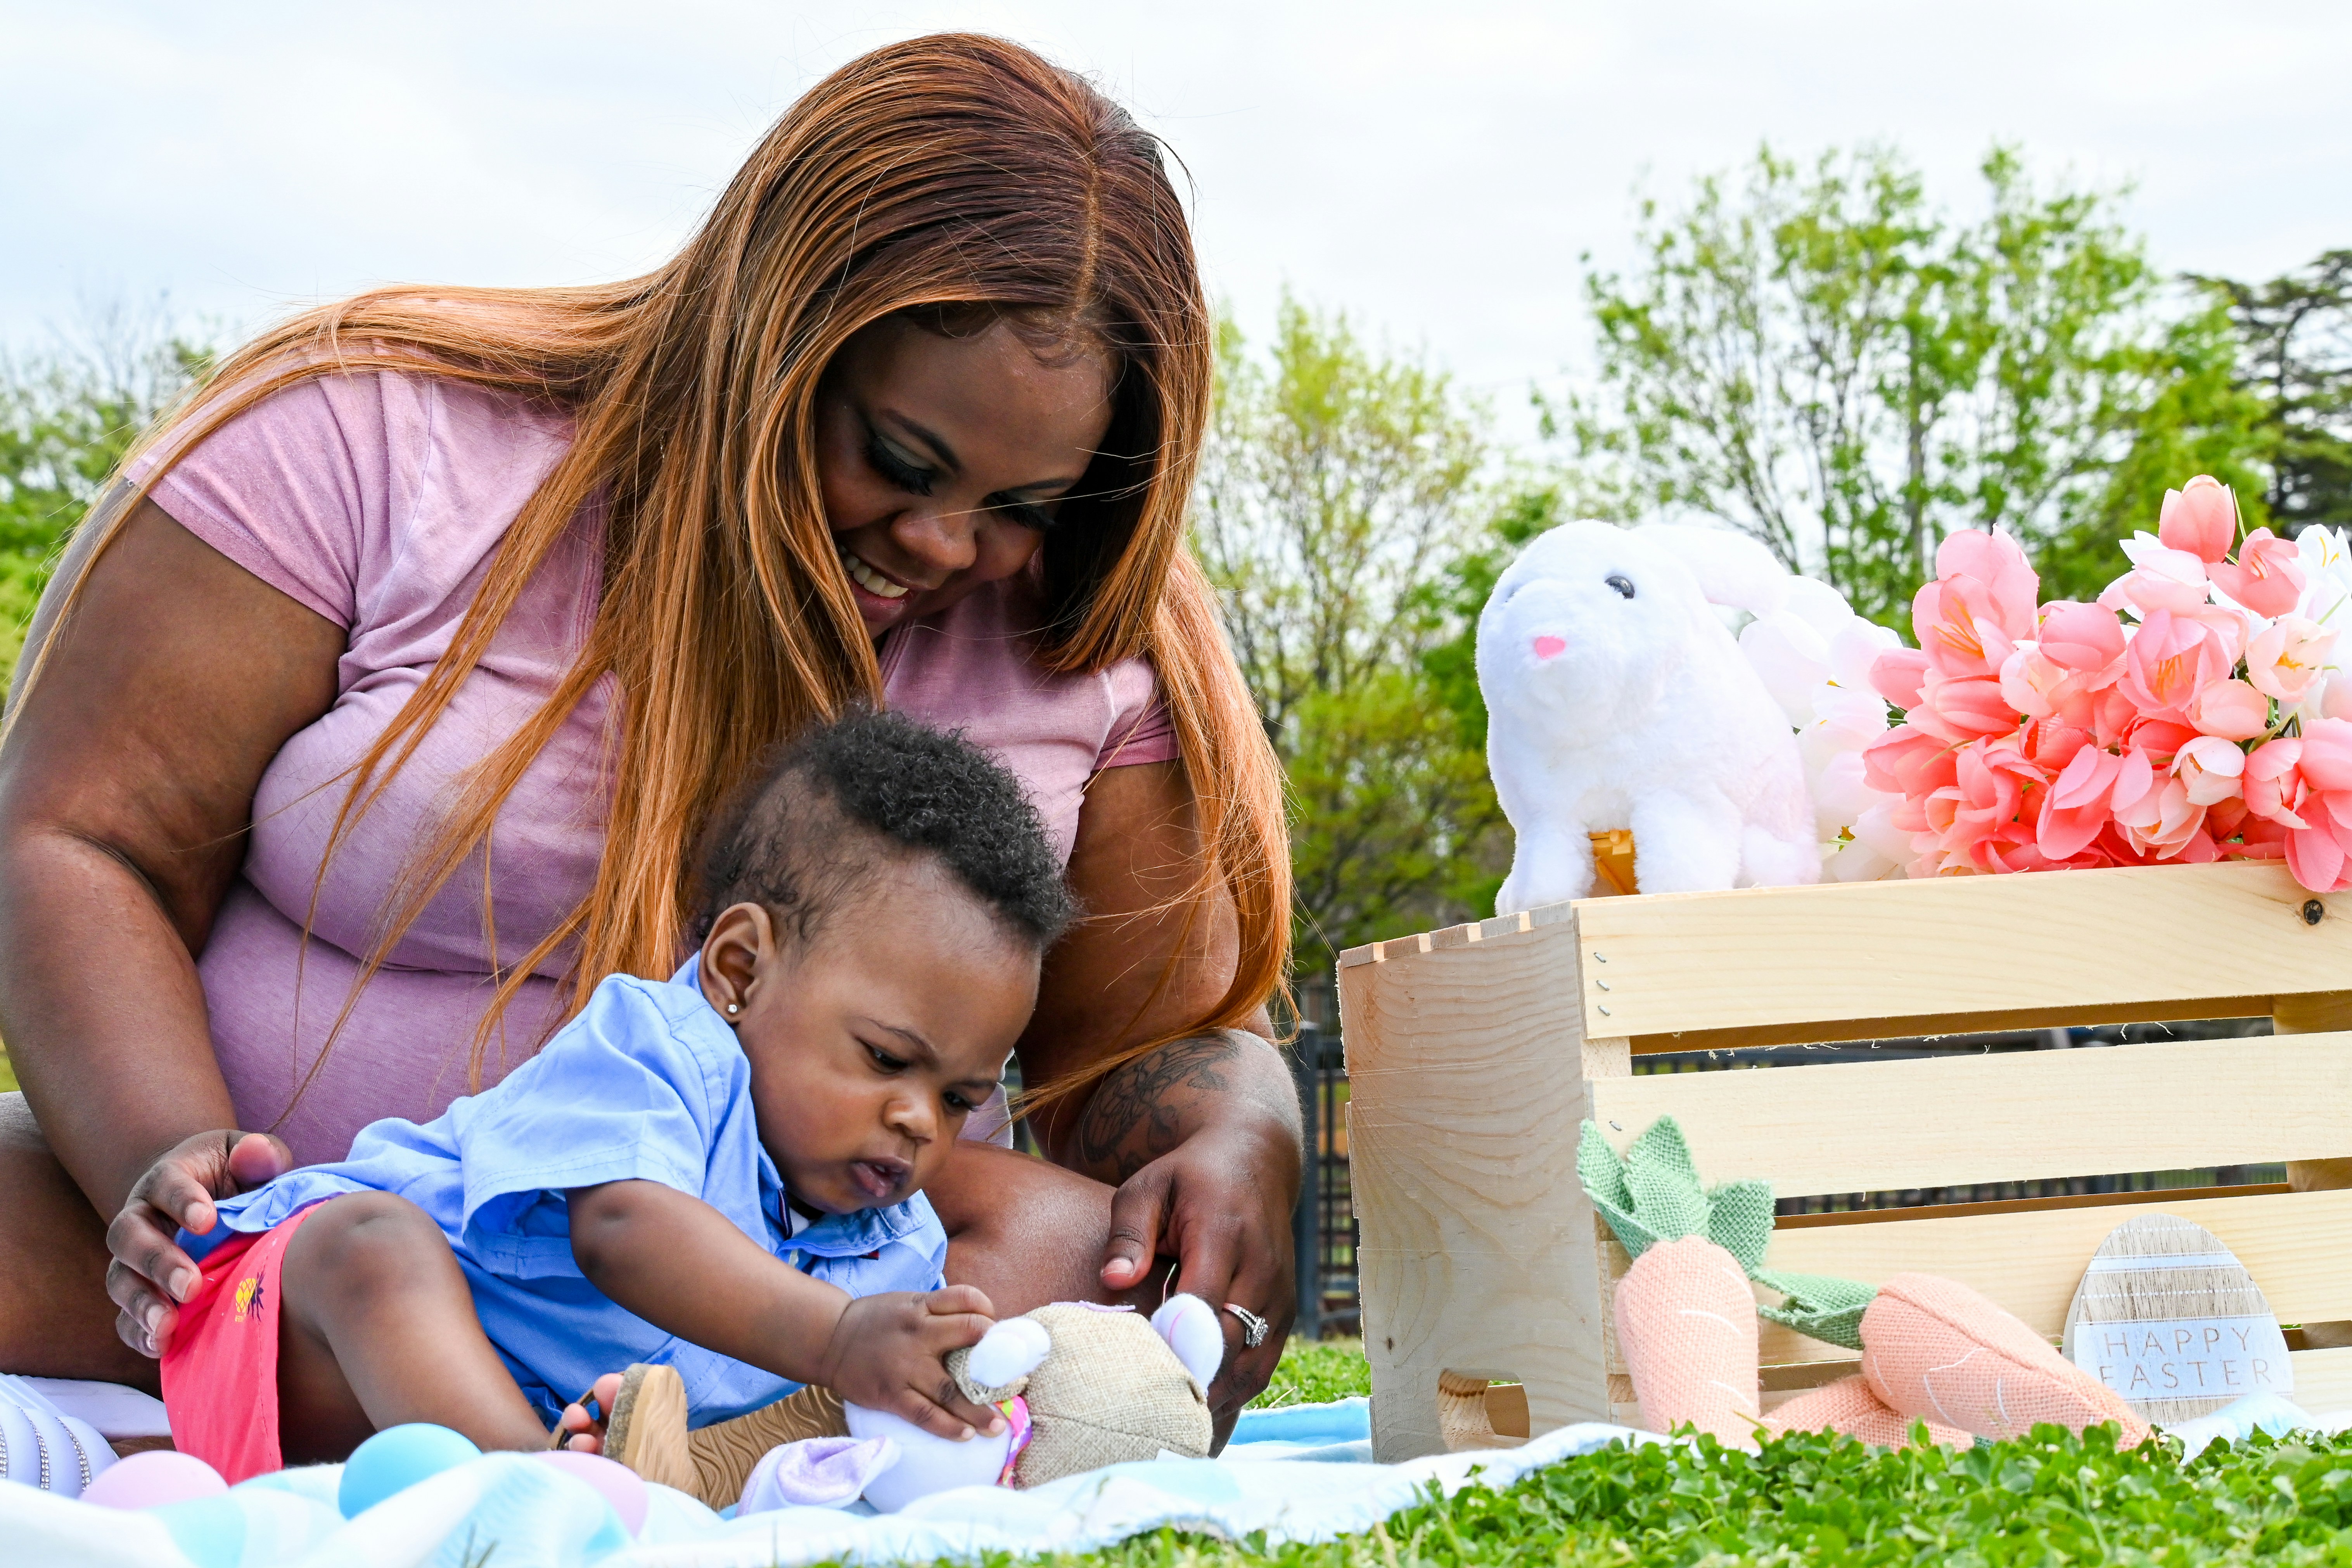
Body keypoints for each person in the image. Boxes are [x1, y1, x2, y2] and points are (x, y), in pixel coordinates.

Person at [0, 31, 1300, 1444]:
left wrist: (1245, 1133)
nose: (941, 544)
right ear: (770, 333)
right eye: (899, 461)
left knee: (1063, 1250)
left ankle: (683, 1464)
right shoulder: (366, 438)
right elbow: (80, 836)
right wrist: (169, 1174)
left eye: (1024, 509)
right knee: (325, 1262)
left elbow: (1148, 1046)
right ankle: (483, 1432)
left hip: (782, 1311)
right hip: (302, 1260)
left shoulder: (1087, 644)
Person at [162, 712, 1058, 1486]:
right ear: (740, 969)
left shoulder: (897, 1247)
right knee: (371, 1242)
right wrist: (836, 1341)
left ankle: (558, 1486)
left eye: (958, 1099)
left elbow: (836, 1409)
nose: (917, 1121)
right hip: (298, 1334)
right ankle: (537, 1501)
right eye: (885, 1058)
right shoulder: (658, 1049)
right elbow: (623, 1229)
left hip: (463, 1432)